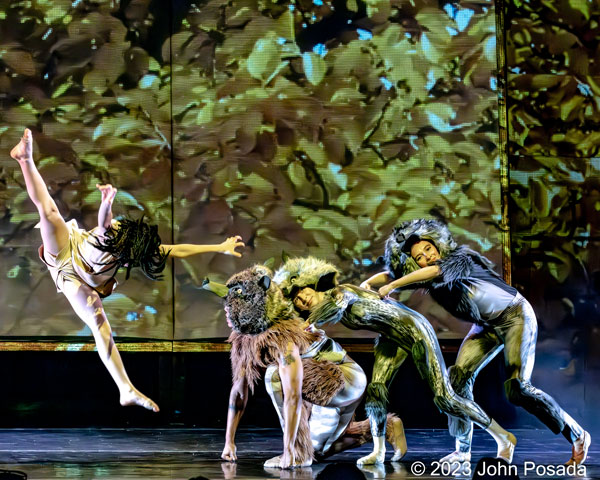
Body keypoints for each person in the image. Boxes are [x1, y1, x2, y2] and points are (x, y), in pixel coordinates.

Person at [10, 129, 244, 412]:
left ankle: (125, 388)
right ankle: (24, 159)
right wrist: (218, 247)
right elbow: (118, 226)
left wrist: (107, 201)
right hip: (67, 250)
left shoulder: (114, 240)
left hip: (69, 273)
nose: (117, 224)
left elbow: (172, 248)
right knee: (48, 212)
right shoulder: (113, 239)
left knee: (99, 324)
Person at [363, 218, 591, 465]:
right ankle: (462, 451)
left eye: (428, 249)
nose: (427, 256)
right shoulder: (424, 274)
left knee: (518, 389)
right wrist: (368, 284)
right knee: (456, 381)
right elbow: (395, 274)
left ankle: (577, 434)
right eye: (419, 257)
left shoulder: (459, 259)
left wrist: (392, 286)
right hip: (486, 326)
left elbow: (430, 272)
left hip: (515, 316)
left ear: (437, 245)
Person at [274, 256, 516, 466]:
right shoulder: (324, 309)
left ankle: (503, 437)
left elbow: (335, 307)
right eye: (297, 300)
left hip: (414, 331)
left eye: (303, 292)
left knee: (445, 397)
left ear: (311, 286)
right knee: (376, 392)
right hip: (390, 337)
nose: (302, 299)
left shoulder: (340, 292)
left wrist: (308, 324)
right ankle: (379, 451)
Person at [203, 266, 405, 469]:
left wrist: (291, 450)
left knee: (274, 376)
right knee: (318, 451)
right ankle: (385, 427)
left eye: (232, 308)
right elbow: (239, 392)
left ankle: (298, 454)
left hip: (344, 376)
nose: (227, 313)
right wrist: (229, 442)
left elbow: (292, 394)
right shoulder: (243, 340)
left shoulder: (282, 336)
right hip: (317, 379)